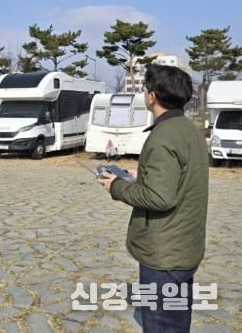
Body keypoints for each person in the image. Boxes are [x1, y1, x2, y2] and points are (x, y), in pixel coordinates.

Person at [99, 64, 209, 332]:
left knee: (162, 324)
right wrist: (142, 174)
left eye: (146, 89)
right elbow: (180, 177)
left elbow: (160, 197)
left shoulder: (163, 136)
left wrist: (117, 187)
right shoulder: (188, 129)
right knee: (177, 320)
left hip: (164, 253)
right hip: (184, 245)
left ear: (151, 96)